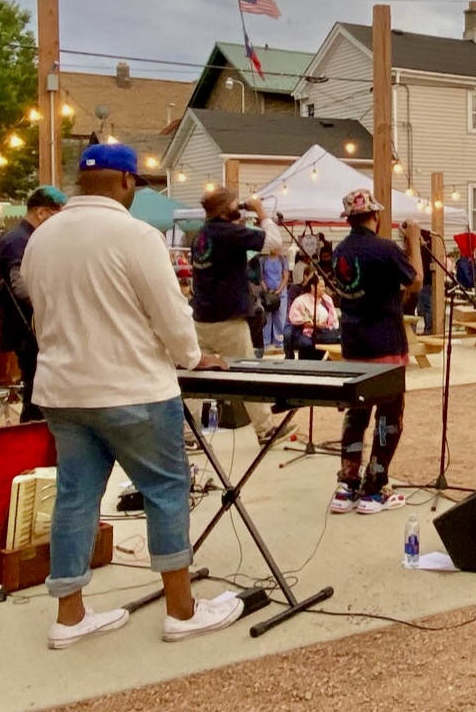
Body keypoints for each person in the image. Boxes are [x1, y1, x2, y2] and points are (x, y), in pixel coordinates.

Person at [21, 142, 242, 648]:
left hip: (62, 389)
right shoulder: (136, 235)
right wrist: (192, 356)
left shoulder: (42, 236)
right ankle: (182, 610)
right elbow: (170, 313)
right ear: (125, 182)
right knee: (165, 490)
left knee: (76, 497)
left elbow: (40, 311)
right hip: (132, 387)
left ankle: (70, 616)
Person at [329, 189, 420, 514]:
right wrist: (414, 240)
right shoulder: (384, 248)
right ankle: (374, 488)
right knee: (389, 416)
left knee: (356, 414)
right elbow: (415, 281)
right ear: (375, 216)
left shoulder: (340, 251)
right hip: (386, 345)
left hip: (354, 344)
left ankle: (347, 484)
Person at [187, 189, 290, 437]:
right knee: (247, 373)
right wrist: (261, 212)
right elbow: (275, 242)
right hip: (228, 320)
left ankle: (188, 434)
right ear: (225, 209)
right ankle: (264, 429)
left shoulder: (201, 235)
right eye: (235, 204)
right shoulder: (229, 233)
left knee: (196, 376)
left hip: (201, 317)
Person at [0, 185, 65, 419]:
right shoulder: (17, 241)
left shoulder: (32, 237)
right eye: (57, 214)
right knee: (36, 394)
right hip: (25, 328)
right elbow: (21, 285)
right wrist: (53, 307)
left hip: (34, 325)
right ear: (41, 213)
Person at [284, 274, 341, 359]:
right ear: (313, 287)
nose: (324, 289)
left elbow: (333, 318)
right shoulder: (300, 300)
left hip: (325, 331)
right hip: (306, 332)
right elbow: (295, 319)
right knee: (307, 343)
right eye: (321, 286)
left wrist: (328, 326)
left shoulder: (327, 299)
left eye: (324, 286)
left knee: (338, 338)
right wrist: (314, 324)